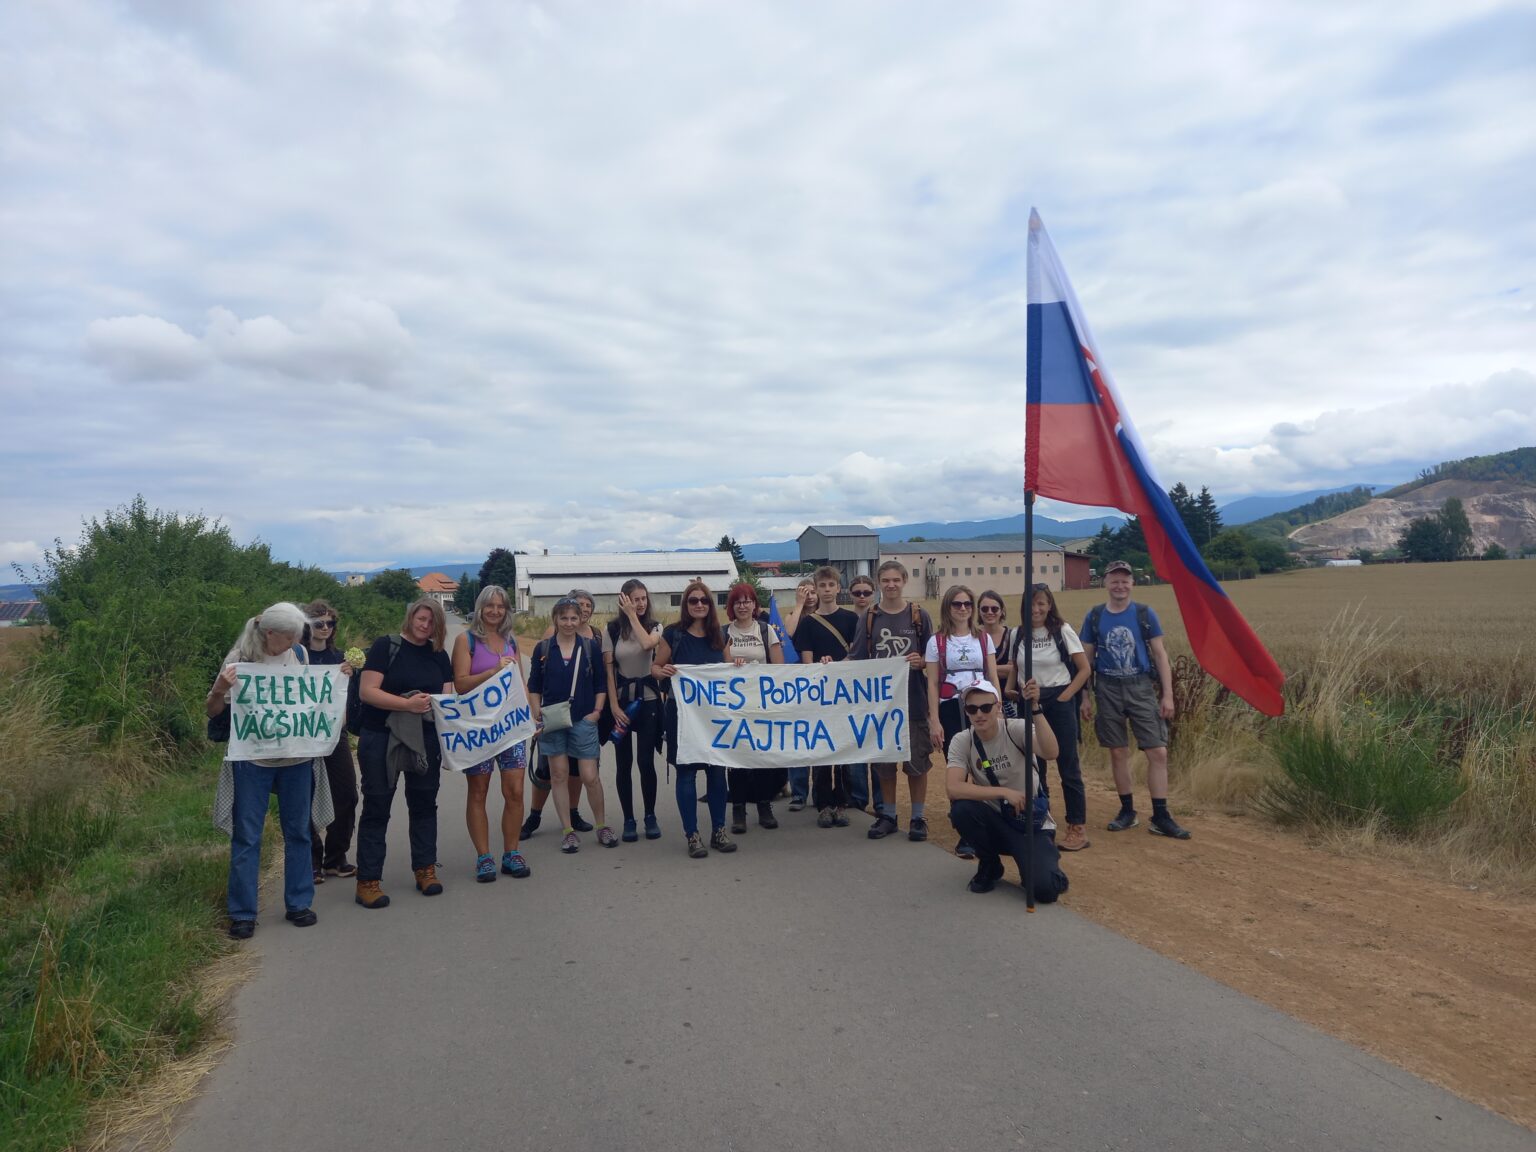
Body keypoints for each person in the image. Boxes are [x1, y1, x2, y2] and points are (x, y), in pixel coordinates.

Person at [208, 602, 346, 938]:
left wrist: (337, 681)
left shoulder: (298, 654)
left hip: (295, 759)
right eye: (288, 637)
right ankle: (242, 913)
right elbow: (212, 710)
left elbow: (308, 698)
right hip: (253, 760)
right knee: (247, 835)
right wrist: (220, 689)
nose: (293, 642)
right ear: (269, 633)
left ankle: (299, 903)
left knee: (298, 831)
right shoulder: (239, 659)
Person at [1079, 560, 1190, 840]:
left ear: (1132, 583)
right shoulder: (1094, 616)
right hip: (1107, 688)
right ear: (1105, 583)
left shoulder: (1144, 613)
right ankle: (1127, 811)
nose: (1120, 586)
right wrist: (1085, 697)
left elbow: (1160, 654)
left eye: (1124, 580)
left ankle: (1161, 815)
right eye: (1114, 580)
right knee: (1117, 751)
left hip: (1140, 687)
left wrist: (1167, 695)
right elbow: (1086, 660)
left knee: (1158, 751)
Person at [355, 598, 456, 907]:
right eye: (421, 618)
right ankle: (368, 881)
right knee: (377, 806)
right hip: (380, 737)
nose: (425, 625)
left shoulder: (439, 655)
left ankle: (425, 869)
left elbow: (446, 698)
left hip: (424, 739)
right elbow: (367, 691)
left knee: (424, 804)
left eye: (432, 622)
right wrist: (407, 705)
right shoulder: (386, 646)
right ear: (411, 617)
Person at [944, 680, 1068, 905]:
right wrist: (1003, 792)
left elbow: (1051, 752)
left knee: (1046, 890)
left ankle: (1037, 863)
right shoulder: (962, 740)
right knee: (961, 810)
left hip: (1029, 821)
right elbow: (953, 788)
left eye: (986, 707)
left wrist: (1036, 709)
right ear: (966, 711)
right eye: (972, 709)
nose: (979, 714)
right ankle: (990, 864)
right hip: (996, 819)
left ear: (998, 707)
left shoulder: (1016, 728)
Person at [450, 584, 533, 882]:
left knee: (515, 791)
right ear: (480, 608)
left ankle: (512, 853)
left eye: (501, 606)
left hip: (509, 729)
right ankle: (484, 857)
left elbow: (520, 684)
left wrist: (530, 717)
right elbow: (460, 684)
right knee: (479, 791)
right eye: (490, 606)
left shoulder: (511, 640)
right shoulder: (466, 640)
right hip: (479, 731)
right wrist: (492, 671)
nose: (495, 611)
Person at [652, 579, 738, 858]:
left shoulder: (720, 635)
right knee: (686, 773)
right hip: (682, 715)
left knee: (717, 772)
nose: (699, 605)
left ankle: (719, 830)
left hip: (713, 716)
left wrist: (737, 665)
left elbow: (728, 670)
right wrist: (662, 671)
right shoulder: (673, 634)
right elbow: (655, 667)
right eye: (693, 600)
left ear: (710, 605)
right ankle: (692, 834)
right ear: (686, 605)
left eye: (704, 600)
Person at [851, 560, 934, 841]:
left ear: (904, 581)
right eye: (885, 580)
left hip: (914, 700)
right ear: (878, 583)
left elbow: (933, 657)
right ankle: (888, 815)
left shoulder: (919, 615)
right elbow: (857, 657)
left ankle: (918, 817)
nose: (891, 585)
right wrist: (830, 667)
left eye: (896, 580)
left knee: (916, 763)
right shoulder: (869, 617)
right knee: (884, 765)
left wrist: (922, 662)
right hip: (881, 705)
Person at [527, 596, 615, 853]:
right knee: (558, 775)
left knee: (590, 776)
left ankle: (601, 825)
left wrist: (597, 712)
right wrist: (537, 713)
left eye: (573, 618)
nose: (568, 623)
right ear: (555, 619)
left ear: (580, 619)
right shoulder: (543, 649)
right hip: (552, 721)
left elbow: (600, 683)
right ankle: (568, 831)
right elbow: (534, 685)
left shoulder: (589, 648)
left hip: (583, 719)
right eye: (563, 618)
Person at [1008, 584, 1092, 852]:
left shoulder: (1062, 631)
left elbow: (1084, 669)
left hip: (1058, 700)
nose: (1036, 609)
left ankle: (1076, 826)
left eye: (1041, 603)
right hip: (1028, 699)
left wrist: (1065, 697)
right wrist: (1011, 689)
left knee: (1068, 765)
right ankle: (1042, 818)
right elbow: (1015, 666)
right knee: (1035, 766)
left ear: (1050, 605)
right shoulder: (1017, 634)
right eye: (1031, 604)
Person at [924, 584, 999, 860]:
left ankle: (989, 820)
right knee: (958, 764)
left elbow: (992, 675)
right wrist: (934, 720)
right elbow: (933, 683)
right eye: (957, 604)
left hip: (982, 708)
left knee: (985, 763)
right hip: (951, 708)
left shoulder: (983, 638)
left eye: (968, 603)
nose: (963, 608)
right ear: (948, 607)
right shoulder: (937, 642)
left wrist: (998, 709)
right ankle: (966, 832)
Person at [792, 566, 859, 829]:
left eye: (832, 585)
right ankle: (823, 804)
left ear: (839, 588)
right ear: (816, 589)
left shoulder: (852, 619)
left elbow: (856, 654)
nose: (827, 590)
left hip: (844, 693)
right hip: (819, 695)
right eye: (823, 585)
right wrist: (821, 668)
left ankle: (842, 803)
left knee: (842, 752)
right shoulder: (808, 623)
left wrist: (838, 666)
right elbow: (807, 660)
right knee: (821, 753)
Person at [603, 579, 666, 842]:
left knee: (645, 761)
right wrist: (613, 705)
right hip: (622, 702)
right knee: (623, 763)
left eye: (643, 599)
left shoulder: (655, 627)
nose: (639, 604)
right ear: (624, 600)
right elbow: (609, 670)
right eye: (634, 599)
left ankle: (650, 815)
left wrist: (633, 617)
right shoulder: (611, 630)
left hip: (648, 700)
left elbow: (648, 644)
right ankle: (628, 818)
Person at [302, 598, 358, 884]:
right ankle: (311, 860)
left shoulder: (340, 659)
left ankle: (335, 857)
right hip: (302, 736)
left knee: (347, 794)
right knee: (304, 797)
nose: (325, 628)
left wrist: (351, 675)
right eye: (319, 623)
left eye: (330, 623)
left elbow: (349, 696)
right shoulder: (295, 658)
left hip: (335, 734)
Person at [723, 581, 786, 833]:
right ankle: (738, 810)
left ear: (754, 604)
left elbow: (779, 668)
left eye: (747, 601)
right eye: (738, 602)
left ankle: (764, 806)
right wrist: (731, 664)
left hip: (762, 703)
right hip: (736, 706)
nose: (743, 606)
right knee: (736, 759)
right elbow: (719, 668)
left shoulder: (765, 630)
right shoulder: (724, 632)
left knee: (762, 757)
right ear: (732, 606)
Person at [843, 573, 880, 813]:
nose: (862, 597)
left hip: (875, 688)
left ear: (873, 594)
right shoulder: (846, 619)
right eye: (858, 593)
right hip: (850, 688)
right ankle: (858, 798)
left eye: (866, 592)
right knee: (855, 746)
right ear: (850, 594)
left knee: (877, 747)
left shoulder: (879, 618)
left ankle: (881, 800)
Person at [783, 577, 817, 810]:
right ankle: (798, 792)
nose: (810, 596)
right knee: (797, 739)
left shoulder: (825, 616)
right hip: (797, 684)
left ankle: (822, 792)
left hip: (821, 683)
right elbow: (788, 633)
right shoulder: (793, 616)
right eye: (805, 592)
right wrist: (798, 605)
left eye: (812, 592)